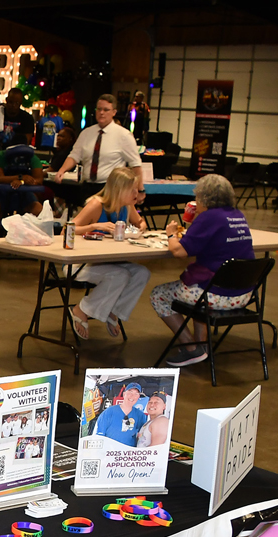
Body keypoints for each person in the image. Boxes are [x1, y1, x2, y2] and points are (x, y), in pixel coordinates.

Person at [150, 174, 255, 367]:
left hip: (217, 295)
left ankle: (191, 348)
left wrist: (171, 234)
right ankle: (202, 346)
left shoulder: (208, 217)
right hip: (244, 294)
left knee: (158, 294)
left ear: (203, 197)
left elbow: (179, 251)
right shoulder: (237, 215)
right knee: (200, 289)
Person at [67, 167, 150, 339]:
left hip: (109, 261)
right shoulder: (96, 205)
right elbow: (66, 230)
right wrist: (94, 226)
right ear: (119, 189)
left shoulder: (128, 206)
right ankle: (81, 310)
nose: (137, 194)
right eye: (133, 190)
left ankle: (114, 310)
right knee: (120, 275)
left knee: (142, 273)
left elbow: (140, 222)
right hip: (81, 263)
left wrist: (141, 226)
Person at [56, 94, 141, 183]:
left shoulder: (124, 135)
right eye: (99, 109)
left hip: (111, 186)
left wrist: (139, 188)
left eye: (106, 110)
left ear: (114, 112)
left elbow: (135, 164)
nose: (101, 112)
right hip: (87, 185)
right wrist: (62, 170)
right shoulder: (86, 133)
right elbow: (74, 156)